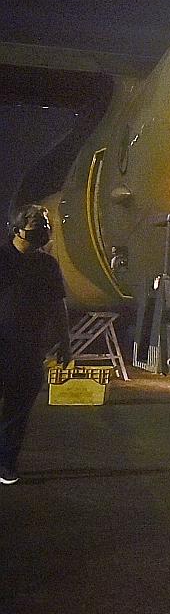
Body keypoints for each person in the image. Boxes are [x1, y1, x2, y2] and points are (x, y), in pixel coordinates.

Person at [0, 206, 71, 485]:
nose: (43, 231)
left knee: (17, 411)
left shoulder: (47, 265)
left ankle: (5, 464)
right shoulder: (2, 259)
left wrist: (66, 344)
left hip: (29, 349)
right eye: (36, 225)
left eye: (45, 225)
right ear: (17, 230)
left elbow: (58, 305)